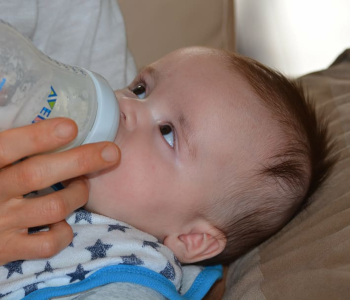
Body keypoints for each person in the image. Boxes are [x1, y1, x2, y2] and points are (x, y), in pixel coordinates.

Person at [0, 47, 335, 299]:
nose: (124, 104)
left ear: (192, 238)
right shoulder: (41, 157)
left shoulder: (128, 279)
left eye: (167, 132)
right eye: (141, 89)